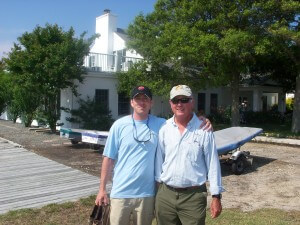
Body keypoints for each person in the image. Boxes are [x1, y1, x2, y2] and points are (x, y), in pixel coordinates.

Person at [95, 85, 212, 225]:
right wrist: (102, 190)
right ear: (132, 102)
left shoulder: (161, 125)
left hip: (147, 195)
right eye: (137, 99)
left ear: (151, 103)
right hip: (120, 193)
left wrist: (202, 120)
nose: (141, 102)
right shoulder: (119, 126)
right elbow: (108, 158)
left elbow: (181, 121)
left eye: (145, 99)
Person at [155, 85, 224, 225]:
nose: (179, 104)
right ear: (170, 103)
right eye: (175, 100)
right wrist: (158, 193)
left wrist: (216, 196)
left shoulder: (204, 129)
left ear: (192, 102)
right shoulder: (164, 128)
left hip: (193, 197)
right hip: (165, 195)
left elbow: (213, 164)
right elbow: (159, 161)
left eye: (184, 100)